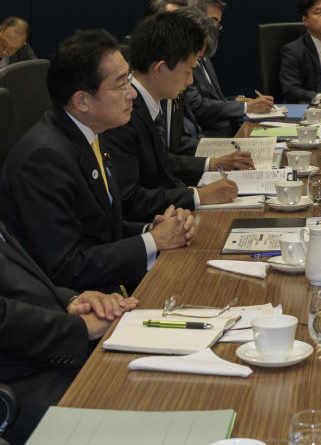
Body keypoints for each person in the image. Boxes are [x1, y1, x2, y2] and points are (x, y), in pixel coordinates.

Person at [0, 29, 195, 293]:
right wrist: (151, 241)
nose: (132, 94)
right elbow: (66, 266)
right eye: (120, 84)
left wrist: (153, 228)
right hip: (76, 306)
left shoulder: (90, 132)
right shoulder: (43, 159)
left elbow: (100, 227)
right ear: (82, 100)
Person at [0, 220, 138, 445]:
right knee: (130, 410)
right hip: (18, 383)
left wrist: (72, 301)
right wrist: (79, 328)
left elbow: (20, 281)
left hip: (44, 352)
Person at [100, 12, 249, 217]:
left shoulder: (151, 103)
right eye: (187, 72)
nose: (189, 82)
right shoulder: (124, 113)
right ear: (160, 69)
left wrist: (209, 166)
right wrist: (198, 195)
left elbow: (159, 163)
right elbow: (128, 197)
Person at [184, 0, 274, 136]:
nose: (215, 29)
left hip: (227, 129)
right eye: (213, 21)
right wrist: (245, 107)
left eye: (218, 24)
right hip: (210, 135)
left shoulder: (205, 55)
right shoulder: (184, 58)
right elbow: (196, 106)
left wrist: (237, 101)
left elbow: (211, 99)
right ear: (194, 18)